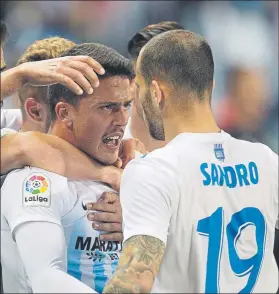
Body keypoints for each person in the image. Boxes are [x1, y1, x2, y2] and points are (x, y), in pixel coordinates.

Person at [103, 30, 279, 293]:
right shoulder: (265, 160)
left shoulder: (153, 170)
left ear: (155, 92)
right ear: (212, 86)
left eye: (138, 88)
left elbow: (134, 283)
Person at [1, 42, 135, 293]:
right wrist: (19, 75)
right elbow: (45, 278)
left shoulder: (129, 165)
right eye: (107, 107)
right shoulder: (34, 180)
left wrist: (143, 218)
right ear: (63, 113)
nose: (122, 120)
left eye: (126, 105)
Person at [124, 21, 184, 152]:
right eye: (152, 82)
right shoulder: (104, 152)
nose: (160, 93)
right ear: (130, 83)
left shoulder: (202, 157)